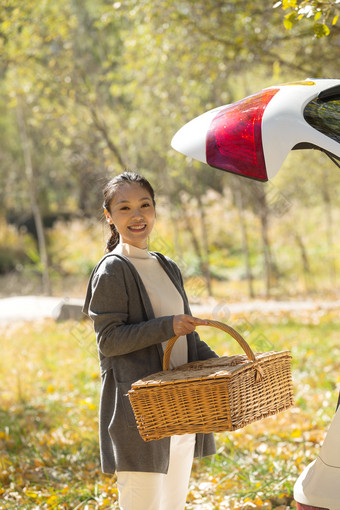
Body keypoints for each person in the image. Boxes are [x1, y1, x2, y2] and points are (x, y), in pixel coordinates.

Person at [82, 171, 218, 510]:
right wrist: (166, 326)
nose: (137, 215)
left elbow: (186, 333)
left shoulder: (167, 265)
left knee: (174, 505)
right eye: (124, 208)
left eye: (145, 205)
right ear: (109, 216)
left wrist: (223, 365)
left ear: (155, 209)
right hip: (140, 414)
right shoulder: (113, 269)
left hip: (182, 406)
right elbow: (109, 342)